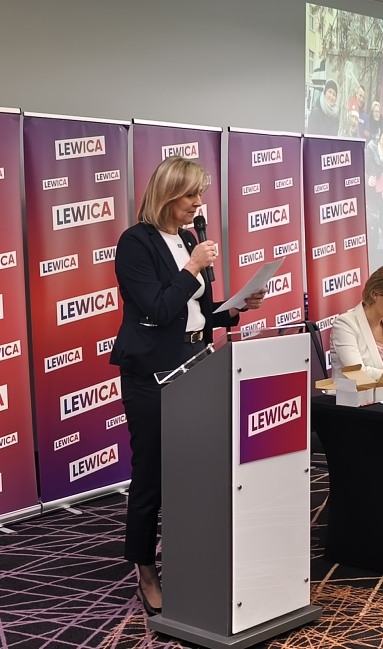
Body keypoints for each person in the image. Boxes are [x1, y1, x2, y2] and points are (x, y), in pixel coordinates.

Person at [110, 156, 264, 616]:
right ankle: (145, 568)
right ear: (167, 194)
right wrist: (193, 266)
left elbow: (192, 313)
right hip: (152, 377)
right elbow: (158, 310)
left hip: (196, 365)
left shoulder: (188, 238)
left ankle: (191, 557)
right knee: (153, 475)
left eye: (201, 195)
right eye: (191, 195)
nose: (199, 204)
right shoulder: (136, 242)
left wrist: (233, 308)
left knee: (197, 470)